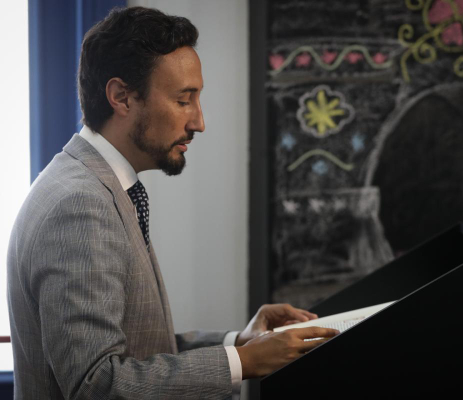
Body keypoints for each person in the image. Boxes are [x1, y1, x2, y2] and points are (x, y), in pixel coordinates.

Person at [7, 6, 338, 399]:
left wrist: (242, 341)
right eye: (184, 100)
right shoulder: (80, 204)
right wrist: (244, 363)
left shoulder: (94, 185)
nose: (199, 122)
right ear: (121, 97)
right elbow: (98, 384)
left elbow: (141, 348)